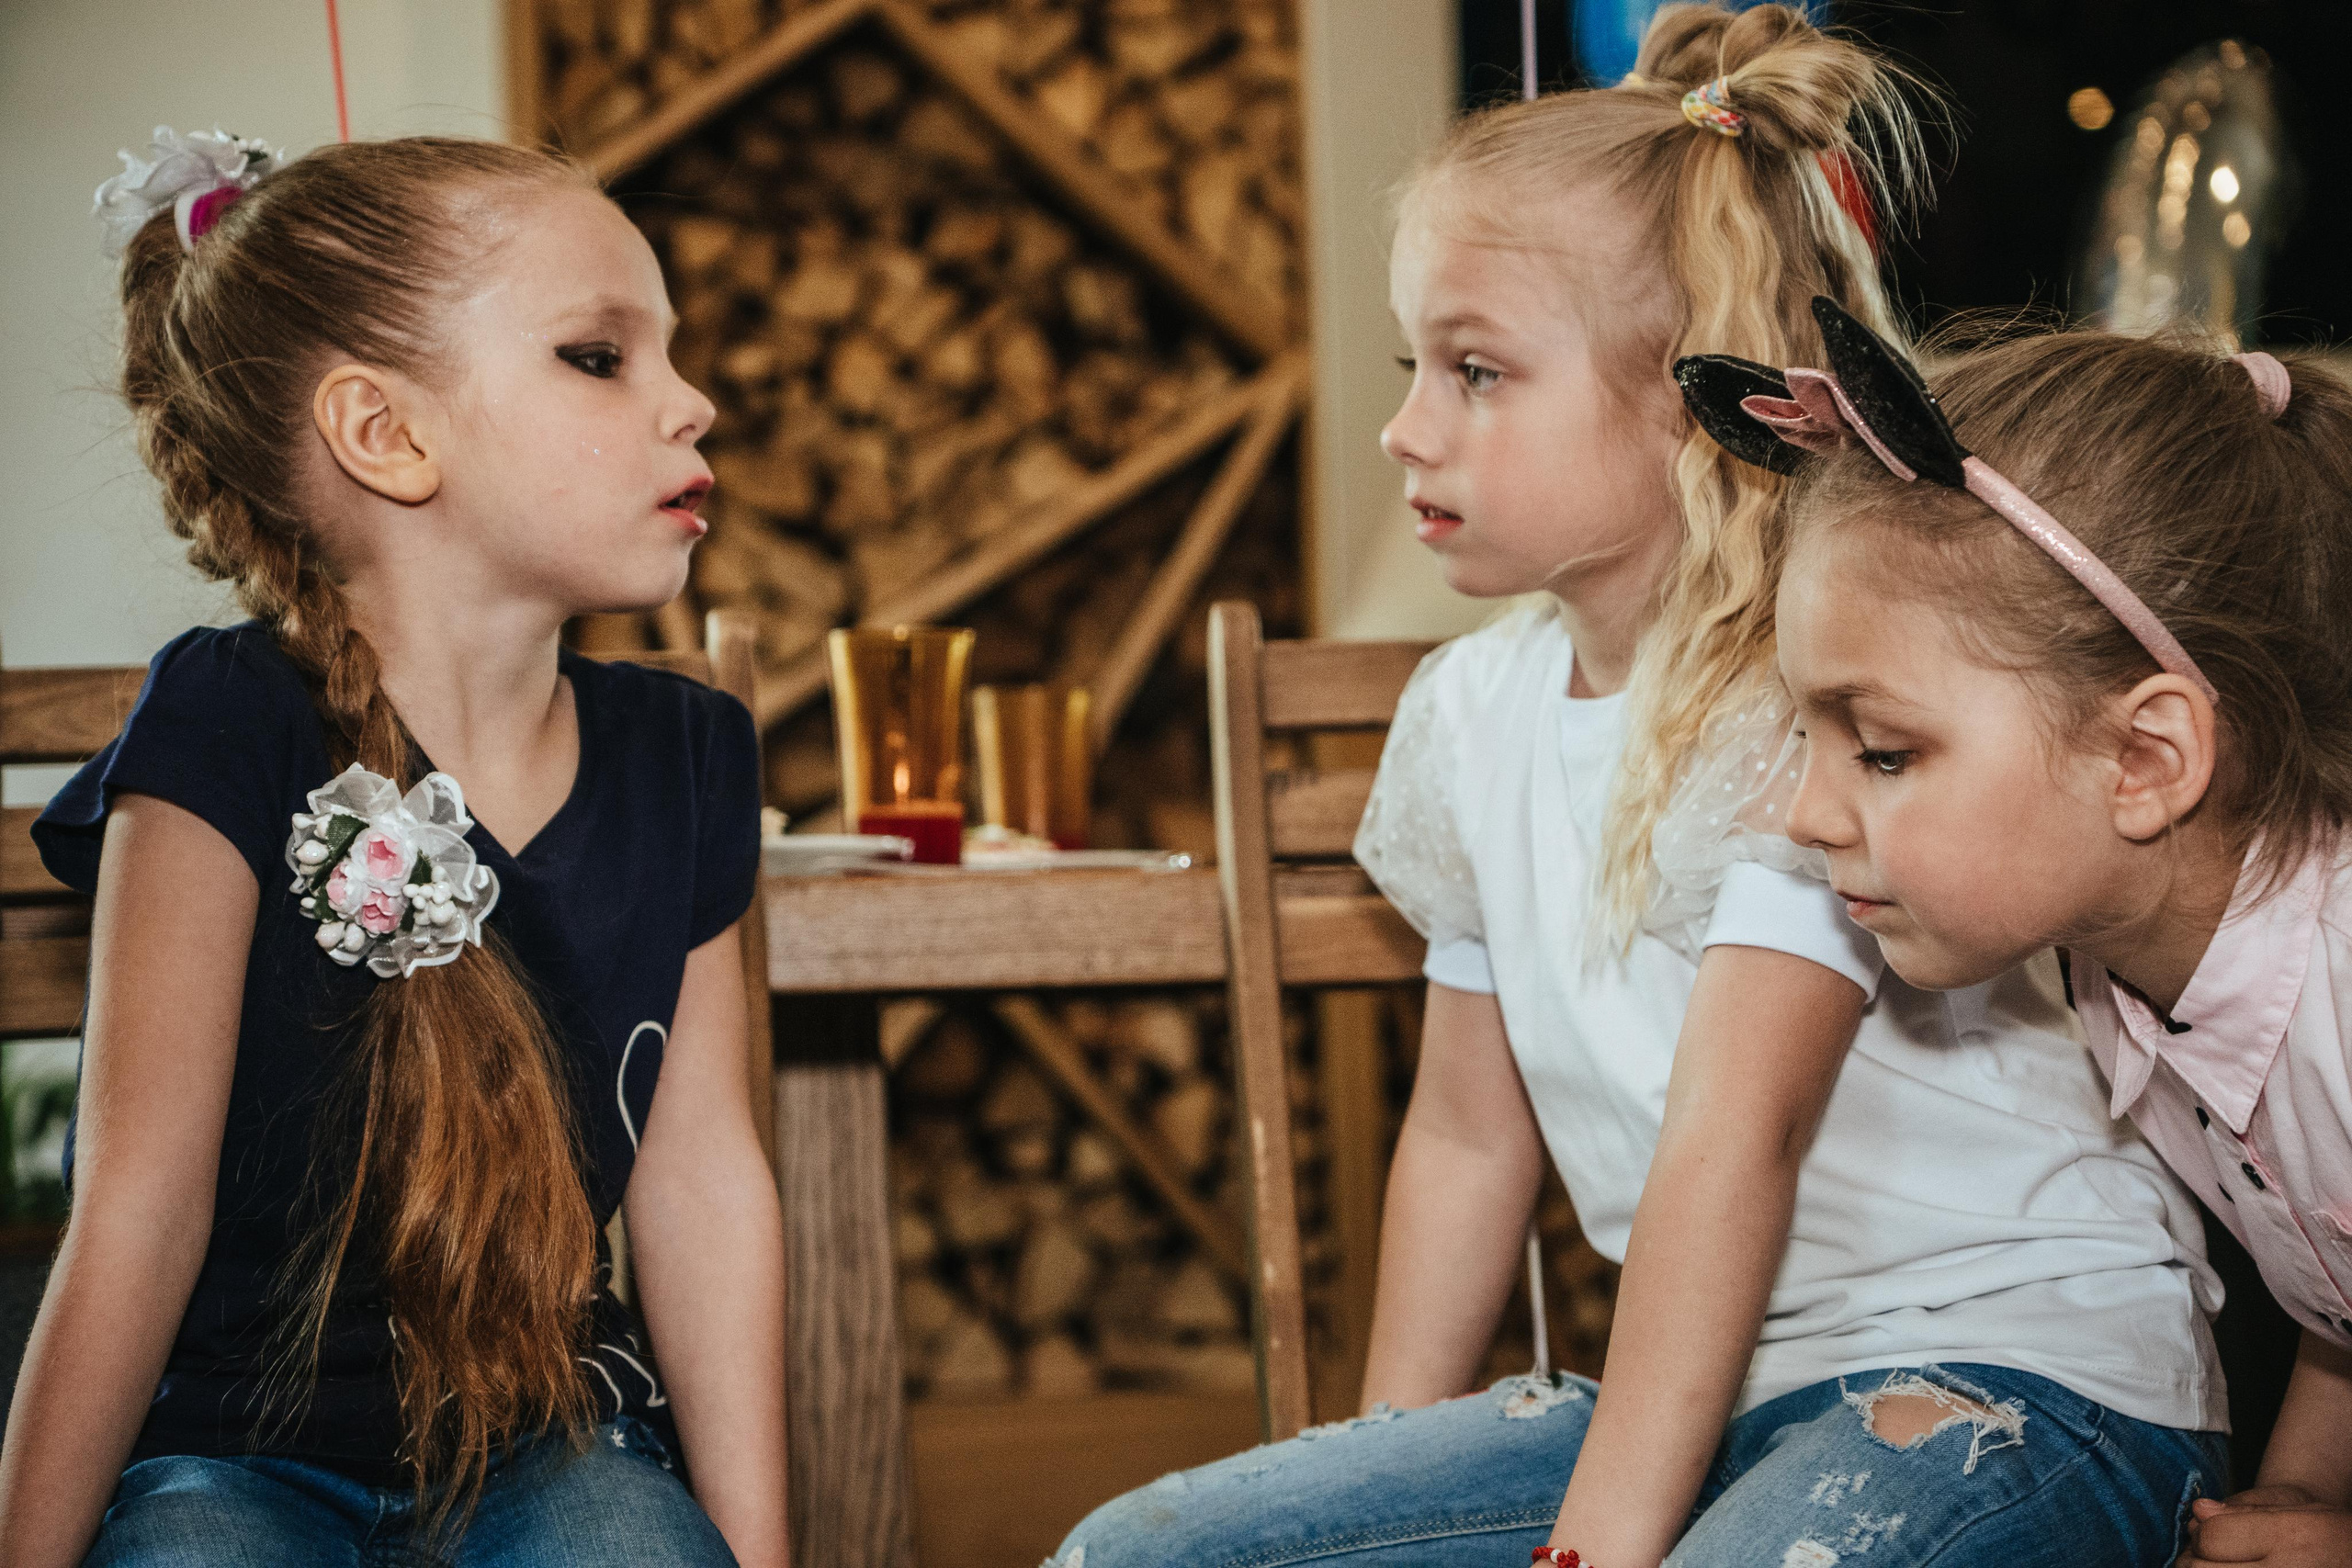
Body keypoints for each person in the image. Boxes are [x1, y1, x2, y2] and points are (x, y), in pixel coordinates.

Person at [1050, 7, 2225, 1567]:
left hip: (2020, 1380)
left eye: (1477, 371)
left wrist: (1584, 1552)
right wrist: (1378, 1460)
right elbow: (1470, 1141)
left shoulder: (1805, 703)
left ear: (1682, 396)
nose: (1407, 428)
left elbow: (1734, 1144)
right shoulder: (1468, 713)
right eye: (1415, 365)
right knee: (1148, 1555)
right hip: (1711, 1392)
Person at [0, 130, 785, 1566]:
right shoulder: (224, 722)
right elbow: (136, 1210)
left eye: (672, 353)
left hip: (557, 1440)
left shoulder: (692, 756)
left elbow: (703, 1186)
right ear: (386, 433)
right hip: (230, 1460)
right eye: (601, 357)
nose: (695, 402)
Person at [1730, 310, 2352, 1568]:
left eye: (1885, 750)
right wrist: (2300, 1496)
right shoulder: (2128, 969)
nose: (1800, 813)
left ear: (2146, 759)